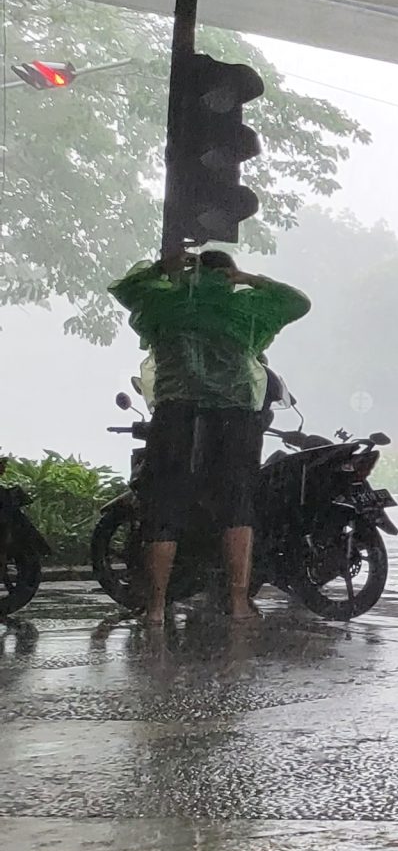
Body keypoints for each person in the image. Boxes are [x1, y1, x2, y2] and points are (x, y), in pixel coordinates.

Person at [109, 246, 310, 623]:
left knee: (164, 508)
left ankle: (154, 608)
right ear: (229, 276)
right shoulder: (245, 309)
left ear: (192, 273)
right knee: (237, 506)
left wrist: (163, 269)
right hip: (233, 417)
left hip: (175, 416)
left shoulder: (164, 304)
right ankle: (237, 603)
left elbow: (124, 290)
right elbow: (298, 303)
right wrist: (251, 280)